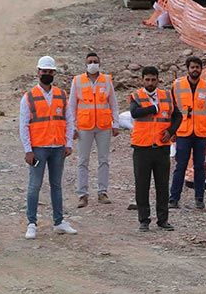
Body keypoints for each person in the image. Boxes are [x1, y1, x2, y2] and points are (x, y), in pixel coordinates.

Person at [19, 55, 78, 239]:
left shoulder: (61, 94)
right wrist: (28, 149)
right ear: (38, 72)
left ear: (54, 73)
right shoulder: (29, 97)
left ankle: (59, 221)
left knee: (56, 186)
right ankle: (31, 223)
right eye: (44, 71)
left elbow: (69, 120)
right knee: (34, 186)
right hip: (38, 149)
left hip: (57, 148)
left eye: (50, 72)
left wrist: (68, 143)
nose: (47, 74)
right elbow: (23, 125)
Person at [129, 66, 181, 232]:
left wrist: (171, 131)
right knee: (142, 186)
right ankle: (144, 220)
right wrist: (154, 108)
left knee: (162, 185)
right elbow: (135, 113)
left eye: (153, 79)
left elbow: (178, 116)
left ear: (158, 79)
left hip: (161, 148)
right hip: (142, 147)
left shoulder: (166, 96)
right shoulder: (136, 96)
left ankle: (163, 220)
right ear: (142, 80)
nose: (150, 82)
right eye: (147, 79)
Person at [70, 52, 119, 208]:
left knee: (103, 160)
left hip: (104, 126)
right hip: (84, 126)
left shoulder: (106, 80)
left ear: (100, 63)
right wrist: (72, 126)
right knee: (83, 161)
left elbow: (113, 103)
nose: (93, 64)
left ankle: (102, 192)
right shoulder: (77, 81)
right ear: (85, 64)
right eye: (90, 61)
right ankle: (82, 194)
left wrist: (115, 123)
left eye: (95, 61)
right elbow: (71, 105)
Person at [169, 56, 206, 210]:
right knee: (180, 165)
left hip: (201, 134)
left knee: (200, 167)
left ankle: (199, 199)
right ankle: (174, 199)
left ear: (201, 69)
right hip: (183, 132)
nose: (195, 69)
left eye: (198, 67)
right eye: (192, 67)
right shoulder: (177, 86)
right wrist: (172, 131)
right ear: (187, 69)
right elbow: (171, 110)